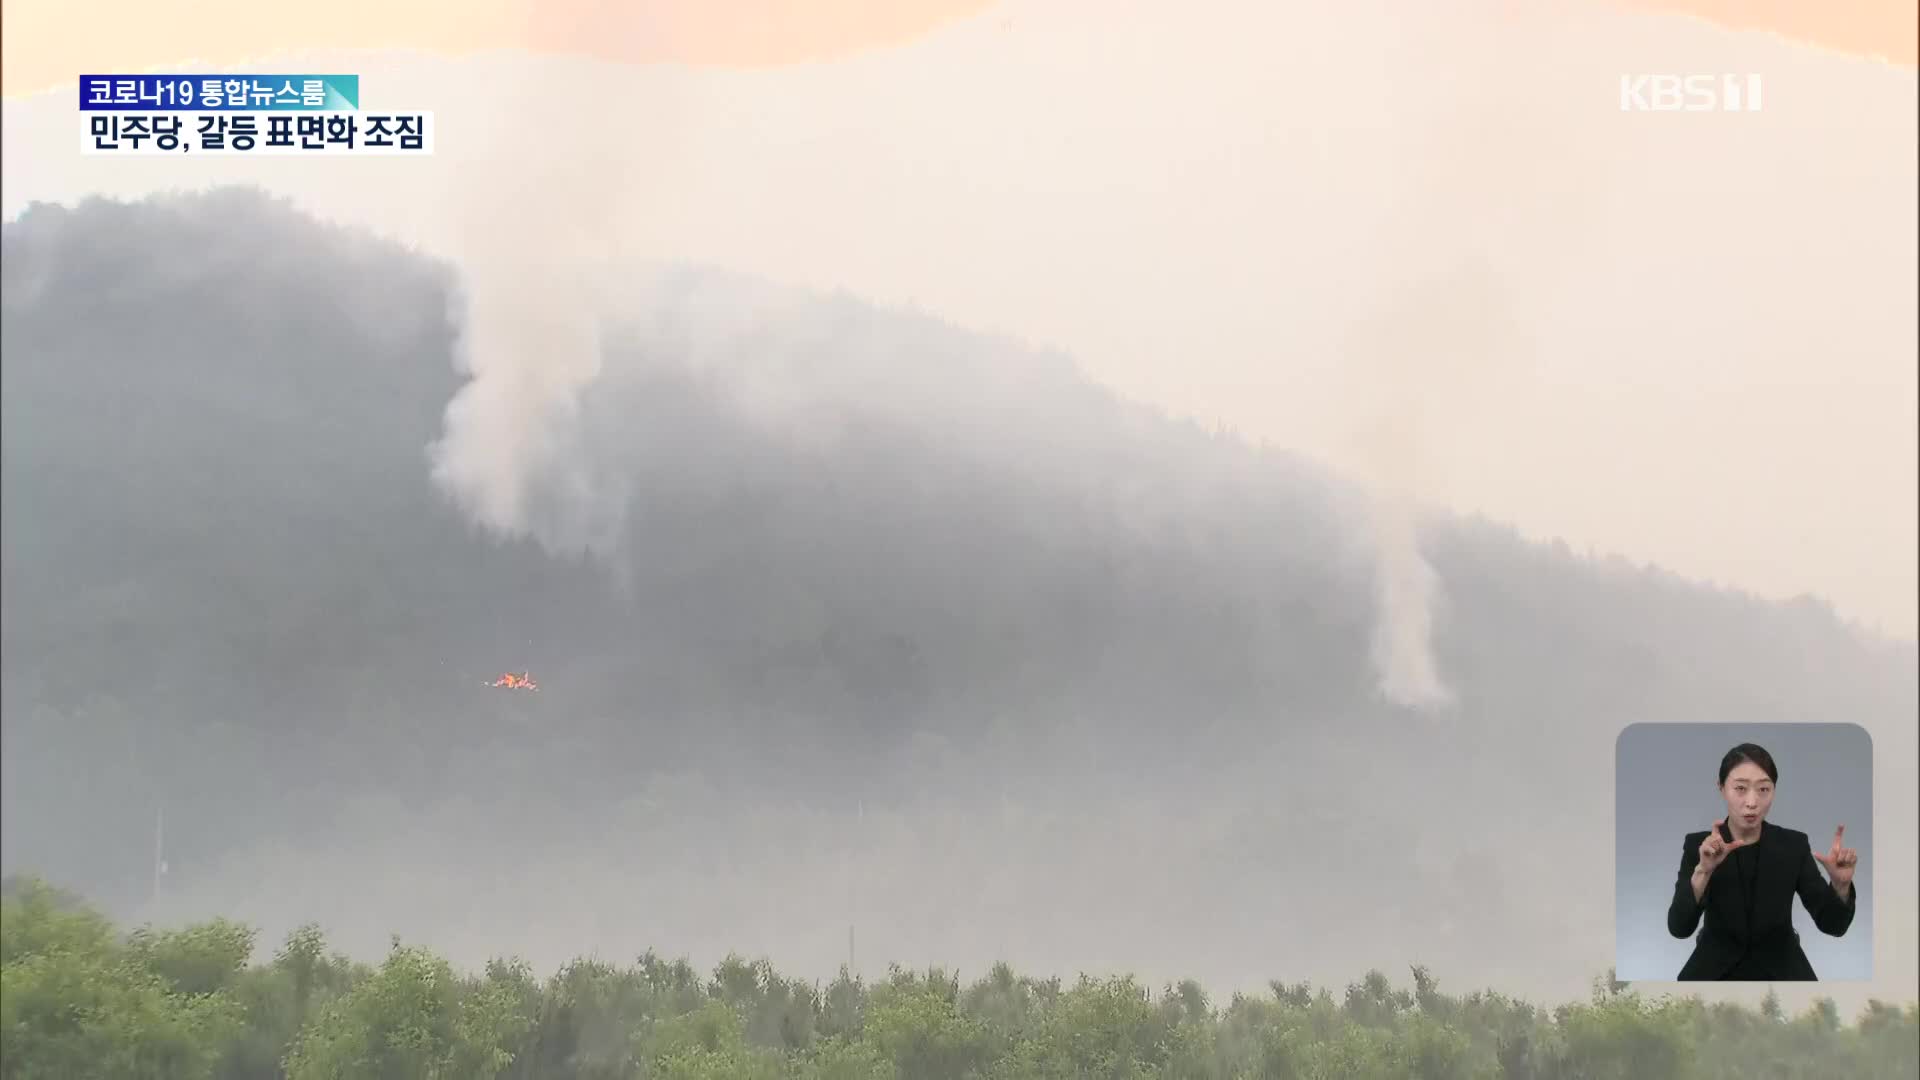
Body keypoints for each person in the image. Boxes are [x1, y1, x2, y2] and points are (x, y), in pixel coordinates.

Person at [1667, 743, 1859, 980]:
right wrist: (1703, 872)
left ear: (1774, 790)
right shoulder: (1700, 846)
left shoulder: (1793, 845)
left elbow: (1833, 925)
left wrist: (1840, 887)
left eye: (1763, 789)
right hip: (1714, 968)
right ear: (1721, 787)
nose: (1752, 802)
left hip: (1783, 968)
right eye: (1740, 788)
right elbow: (1679, 928)